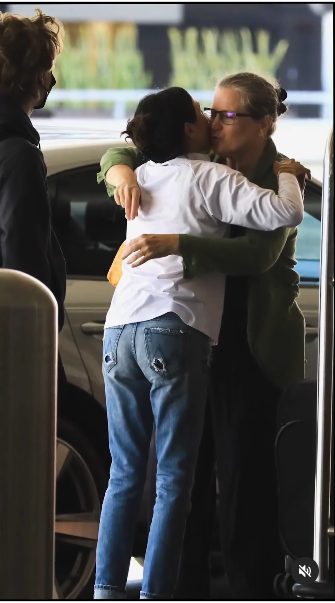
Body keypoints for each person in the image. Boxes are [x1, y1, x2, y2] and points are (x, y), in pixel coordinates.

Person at [97, 73, 308, 600]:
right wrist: (119, 169)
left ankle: (244, 590)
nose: (214, 123)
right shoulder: (208, 172)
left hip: (243, 346)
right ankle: (172, 589)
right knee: (176, 481)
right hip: (188, 335)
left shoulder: (273, 172)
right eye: (209, 113)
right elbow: (122, 146)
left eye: (226, 114)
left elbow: (259, 255)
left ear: (265, 123)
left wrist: (179, 243)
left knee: (237, 484)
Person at [0, 9, 67, 403]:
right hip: (17, 343)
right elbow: (23, 262)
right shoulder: (18, 154)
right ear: (34, 76)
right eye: (47, 67)